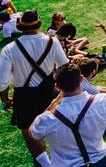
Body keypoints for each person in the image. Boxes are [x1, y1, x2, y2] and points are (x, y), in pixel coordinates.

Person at [28, 62, 106, 167]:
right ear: (81, 79)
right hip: (100, 162)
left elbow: (32, 133)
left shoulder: (45, 119)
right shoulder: (104, 100)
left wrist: (55, 102)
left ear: (57, 87)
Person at [0, 10, 68, 167]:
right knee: (56, 126)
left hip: (24, 96)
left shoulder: (9, 49)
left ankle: (45, 163)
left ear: (20, 25)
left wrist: (5, 100)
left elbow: (2, 83)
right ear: (39, 23)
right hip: (49, 91)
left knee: (29, 132)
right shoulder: (52, 41)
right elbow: (64, 67)